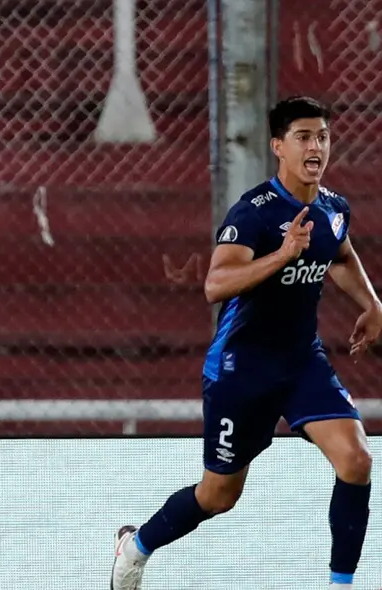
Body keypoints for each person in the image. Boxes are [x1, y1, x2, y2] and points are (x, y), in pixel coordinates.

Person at [110, 96, 382, 590]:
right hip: (241, 370)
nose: (315, 146)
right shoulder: (254, 213)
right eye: (302, 137)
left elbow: (340, 255)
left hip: (302, 363)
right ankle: (136, 545)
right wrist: (282, 255)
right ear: (278, 146)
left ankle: (340, 585)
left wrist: (373, 304)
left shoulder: (333, 209)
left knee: (357, 460)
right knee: (218, 496)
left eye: (322, 136)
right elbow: (216, 284)